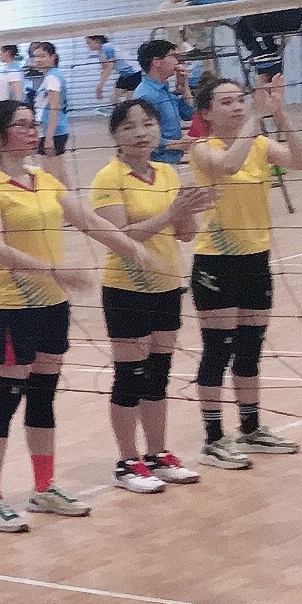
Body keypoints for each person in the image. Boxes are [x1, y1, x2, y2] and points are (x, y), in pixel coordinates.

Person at [0, 101, 147, 533]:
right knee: (5, 398)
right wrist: (57, 271)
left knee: (43, 396)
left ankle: (44, 488)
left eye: (33, 123)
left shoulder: (42, 178)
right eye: (22, 125)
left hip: (52, 306)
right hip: (13, 307)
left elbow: (88, 221)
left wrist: (134, 249)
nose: (32, 131)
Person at [89, 100, 220, 493]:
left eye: (148, 124)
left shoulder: (167, 172)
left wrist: (191, 209)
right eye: (129, 127)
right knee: (129, 376)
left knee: (158, 374)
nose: (141, 133)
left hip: (166, 285)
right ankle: (127, 462)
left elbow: (186, 234)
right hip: (126, 288)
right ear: (116, 135)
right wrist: (170, 213)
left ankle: (158, 454)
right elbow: (121, 237)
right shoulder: (108, 178)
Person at [189, 75, 302, 467]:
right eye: (226, 102)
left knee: (249, 349)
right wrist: (257, 115)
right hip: (217, 261)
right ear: (206, 113)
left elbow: (301, 161)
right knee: (217, 349)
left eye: (240, 99)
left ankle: (251, 428)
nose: (237, 106)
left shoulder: (259, 144)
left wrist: (279, 114)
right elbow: (228, 165)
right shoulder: (201, 147)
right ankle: (213, 439)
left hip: (256, 258)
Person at [131, 39, 195, 166]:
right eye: (172, 56)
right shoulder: (146, 95)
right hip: (156, 163)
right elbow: (144, 136)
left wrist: (184, 87)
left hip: (170, 161)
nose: (177, 62)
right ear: (157, 62)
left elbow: (189, 113)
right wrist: (178, 144)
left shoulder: (164, 90)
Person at [23, 41, 70, 169]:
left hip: (52, 132)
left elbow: (55, 108)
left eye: (42, 56)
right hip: (56, 130)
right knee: (59, 173)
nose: (38, 60)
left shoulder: (52, 78)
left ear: (52, 57)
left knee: (51, 174)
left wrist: (49, 138)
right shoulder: (52, 75)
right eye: (35, 57)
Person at [87, 34, 128, 102]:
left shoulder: (107, 47)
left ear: (97, 41)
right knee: (114, 99)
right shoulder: (101, 52)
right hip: (125, 74)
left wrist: (100, 86)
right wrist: (100, 86)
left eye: (89, 43)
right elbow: (104, 69)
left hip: (132, 73)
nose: (88, 45)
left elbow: (109, 66)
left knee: (118, 99)